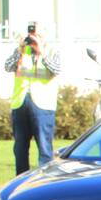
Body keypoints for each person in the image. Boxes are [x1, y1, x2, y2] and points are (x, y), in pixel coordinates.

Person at [4, 21, 61, 175]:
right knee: (20, 148)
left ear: (44, 35)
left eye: (37, 34)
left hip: (43, 104)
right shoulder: (23, 50)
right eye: (32, 34)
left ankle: (45, 181)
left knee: (44, 148)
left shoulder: (51, 50)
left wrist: (41, 52)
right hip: (20, 102)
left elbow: (56, 69)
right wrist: (20, 50)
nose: (34, 37)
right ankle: (21, 180)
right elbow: (8, 66)